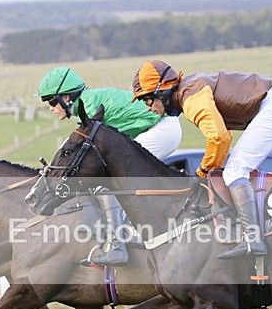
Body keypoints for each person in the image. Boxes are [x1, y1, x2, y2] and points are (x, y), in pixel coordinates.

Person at [131, 59, 272, 259]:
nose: (148, 107)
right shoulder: (188, 91)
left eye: (148, 100)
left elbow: (219, 138)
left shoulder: (190, 98)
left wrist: (202, 171)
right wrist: (209, 169)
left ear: (162, 91)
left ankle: (253, 239)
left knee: (235, 171)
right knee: (232, 170)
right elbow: (223, 137)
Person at [37, 67, 182, 265]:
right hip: (162, 127)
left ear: (67, 97)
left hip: (161, 128)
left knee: (114, 181)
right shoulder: (86, 102)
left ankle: (118, 245)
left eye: (52, 101)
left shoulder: (87, 106)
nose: (51, 108)